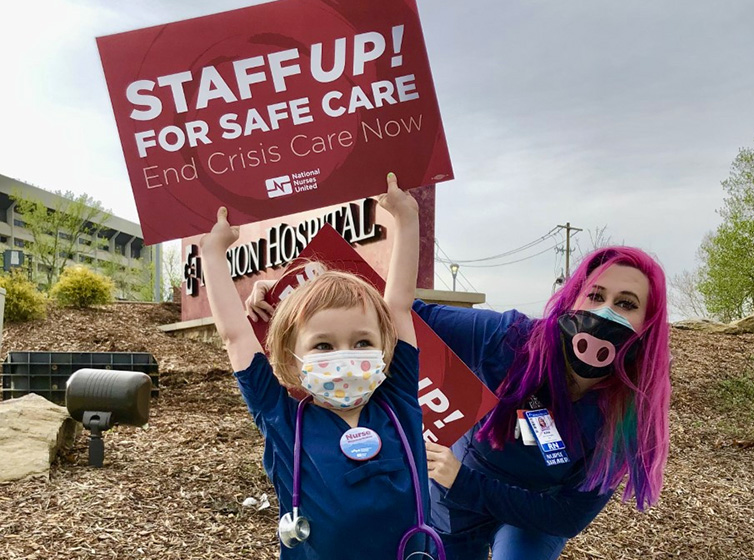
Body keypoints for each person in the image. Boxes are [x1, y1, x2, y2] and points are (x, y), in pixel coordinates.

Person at [202, 173, 436, 559]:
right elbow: (236, 337)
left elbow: (398, 305)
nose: (344, 356)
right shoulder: (283, 419)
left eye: (362, 342)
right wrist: (213, 255)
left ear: (385, 346)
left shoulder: (398, 400)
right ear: (292, 356)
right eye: (323, 345)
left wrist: (406, 220)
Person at [418, 247, 671, 560]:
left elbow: (568, 516)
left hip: (530, 513)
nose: (605, 312)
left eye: (626, 303)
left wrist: (464, 482)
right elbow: (409, 318)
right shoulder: (508, 339)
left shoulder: (628, 411)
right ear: (572, 300)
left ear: (647, 325)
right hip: (454, 501)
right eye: (595, 295)